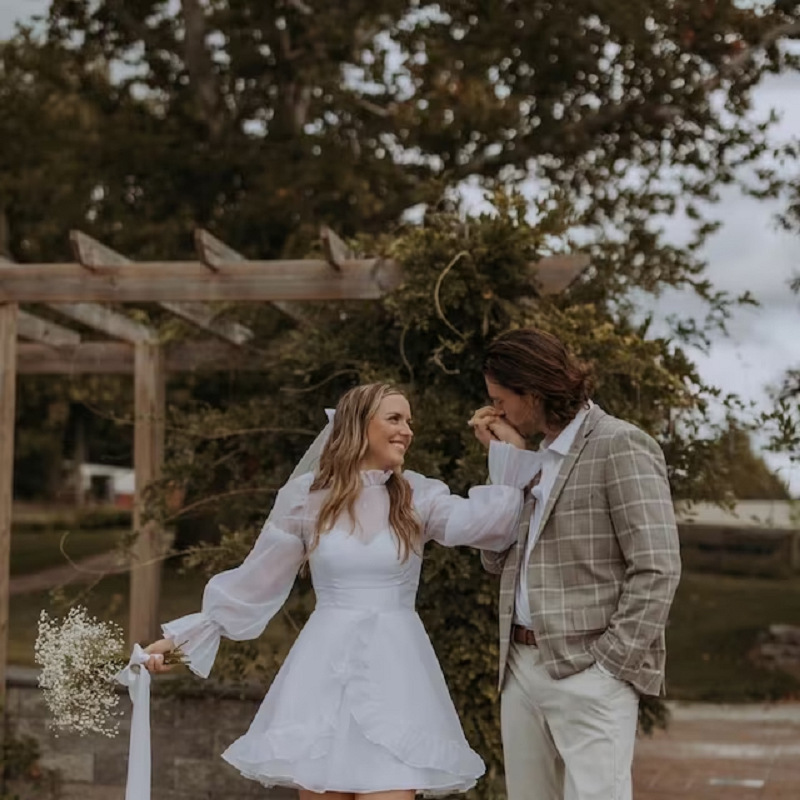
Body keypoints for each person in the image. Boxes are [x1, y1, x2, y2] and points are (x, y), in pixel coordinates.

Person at [144, 382, 533, 800]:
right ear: (359, 425)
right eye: (395, 418)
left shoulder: (417, 495)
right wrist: (180, 642)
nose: (407, 430)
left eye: (409, 421)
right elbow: (257, 580)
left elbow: (491, 525)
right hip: (323, 677)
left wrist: (509, 453)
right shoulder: (306, 499)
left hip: (396, 676)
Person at [469, 327, 682, 800]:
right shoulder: (529, 457)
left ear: (534, 391)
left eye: (501, 399)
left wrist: (609, 665)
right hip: (520, 667)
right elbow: (494, 557)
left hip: (590, 671)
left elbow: (658, 566)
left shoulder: (620, 444)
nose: (496, 411)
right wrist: (506, 467)